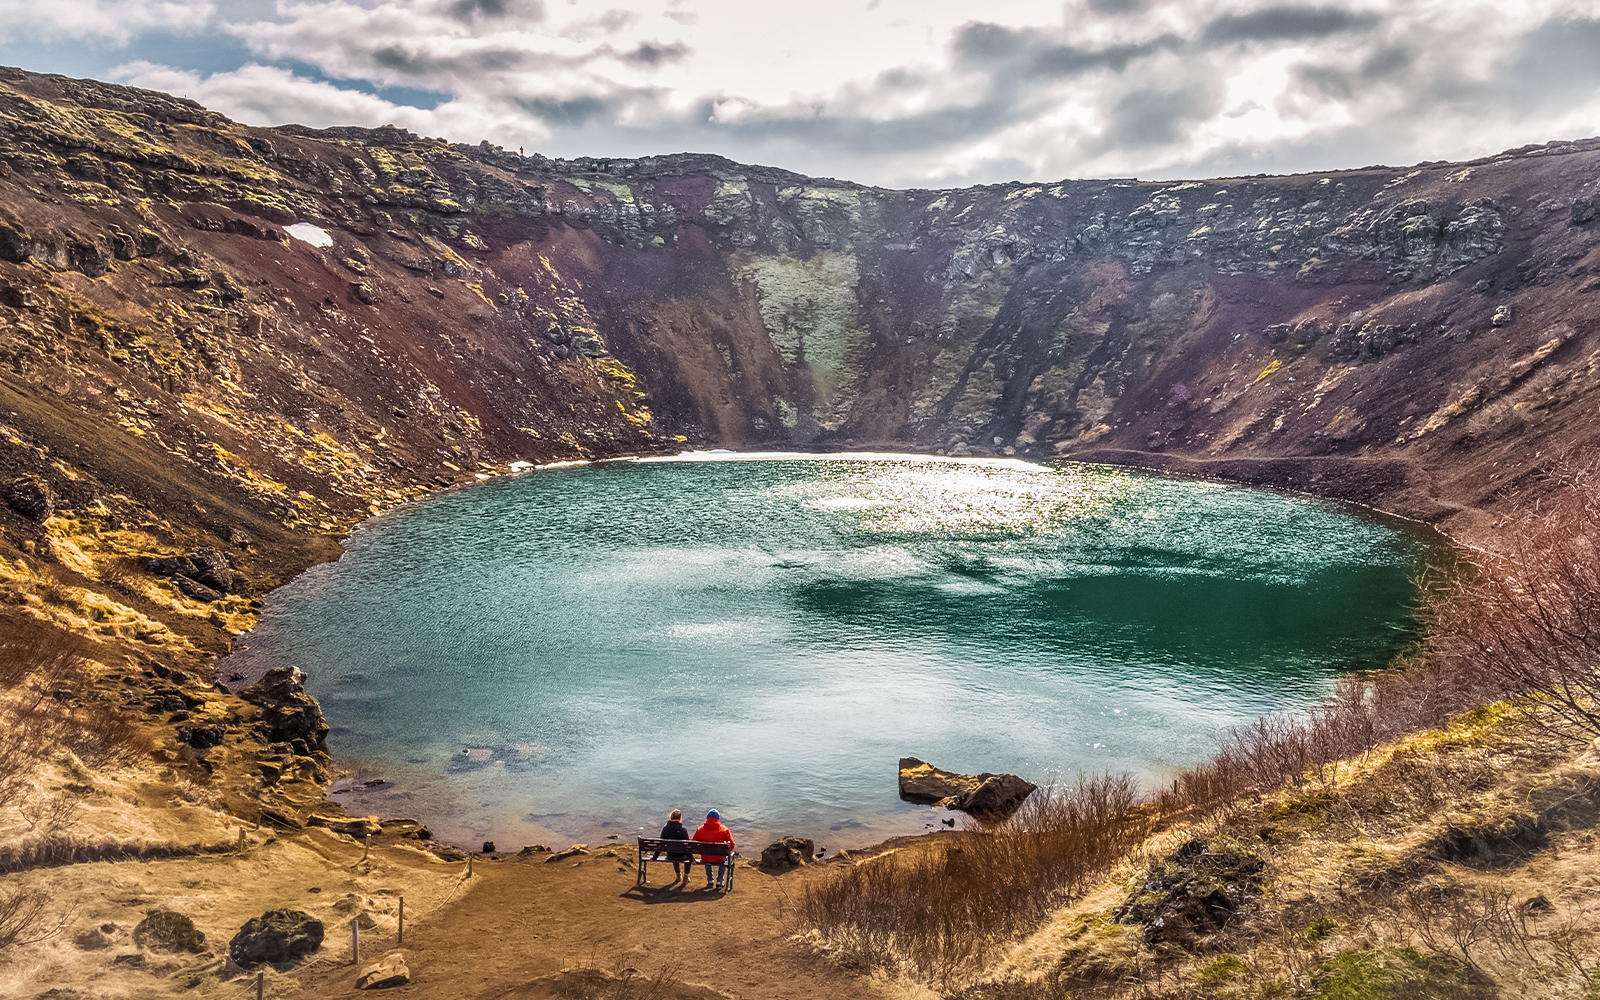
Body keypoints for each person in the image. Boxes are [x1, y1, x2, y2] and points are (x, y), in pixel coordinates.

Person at [692, 809, 735, 890]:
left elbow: (693, 843)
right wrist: (727, 852)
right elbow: (732, 844)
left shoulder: (700, 829)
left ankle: (710, 881)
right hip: (719, 859)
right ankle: (719, 881)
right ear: (718, 818)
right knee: (725, 856)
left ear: (707, 818)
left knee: (707, 856)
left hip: (705, 858)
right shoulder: (724, 830)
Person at [659, 808, 692, 882]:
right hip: (682, 856)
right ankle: (686, 876)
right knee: (687, 854)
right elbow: (687, 846)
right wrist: (691, 859)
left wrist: (654, 857)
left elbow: (660, 844)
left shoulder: (665, 829)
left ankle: (678, 875)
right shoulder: (683, 830)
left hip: (670, 855)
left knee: (673, 850)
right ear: (680, 818)